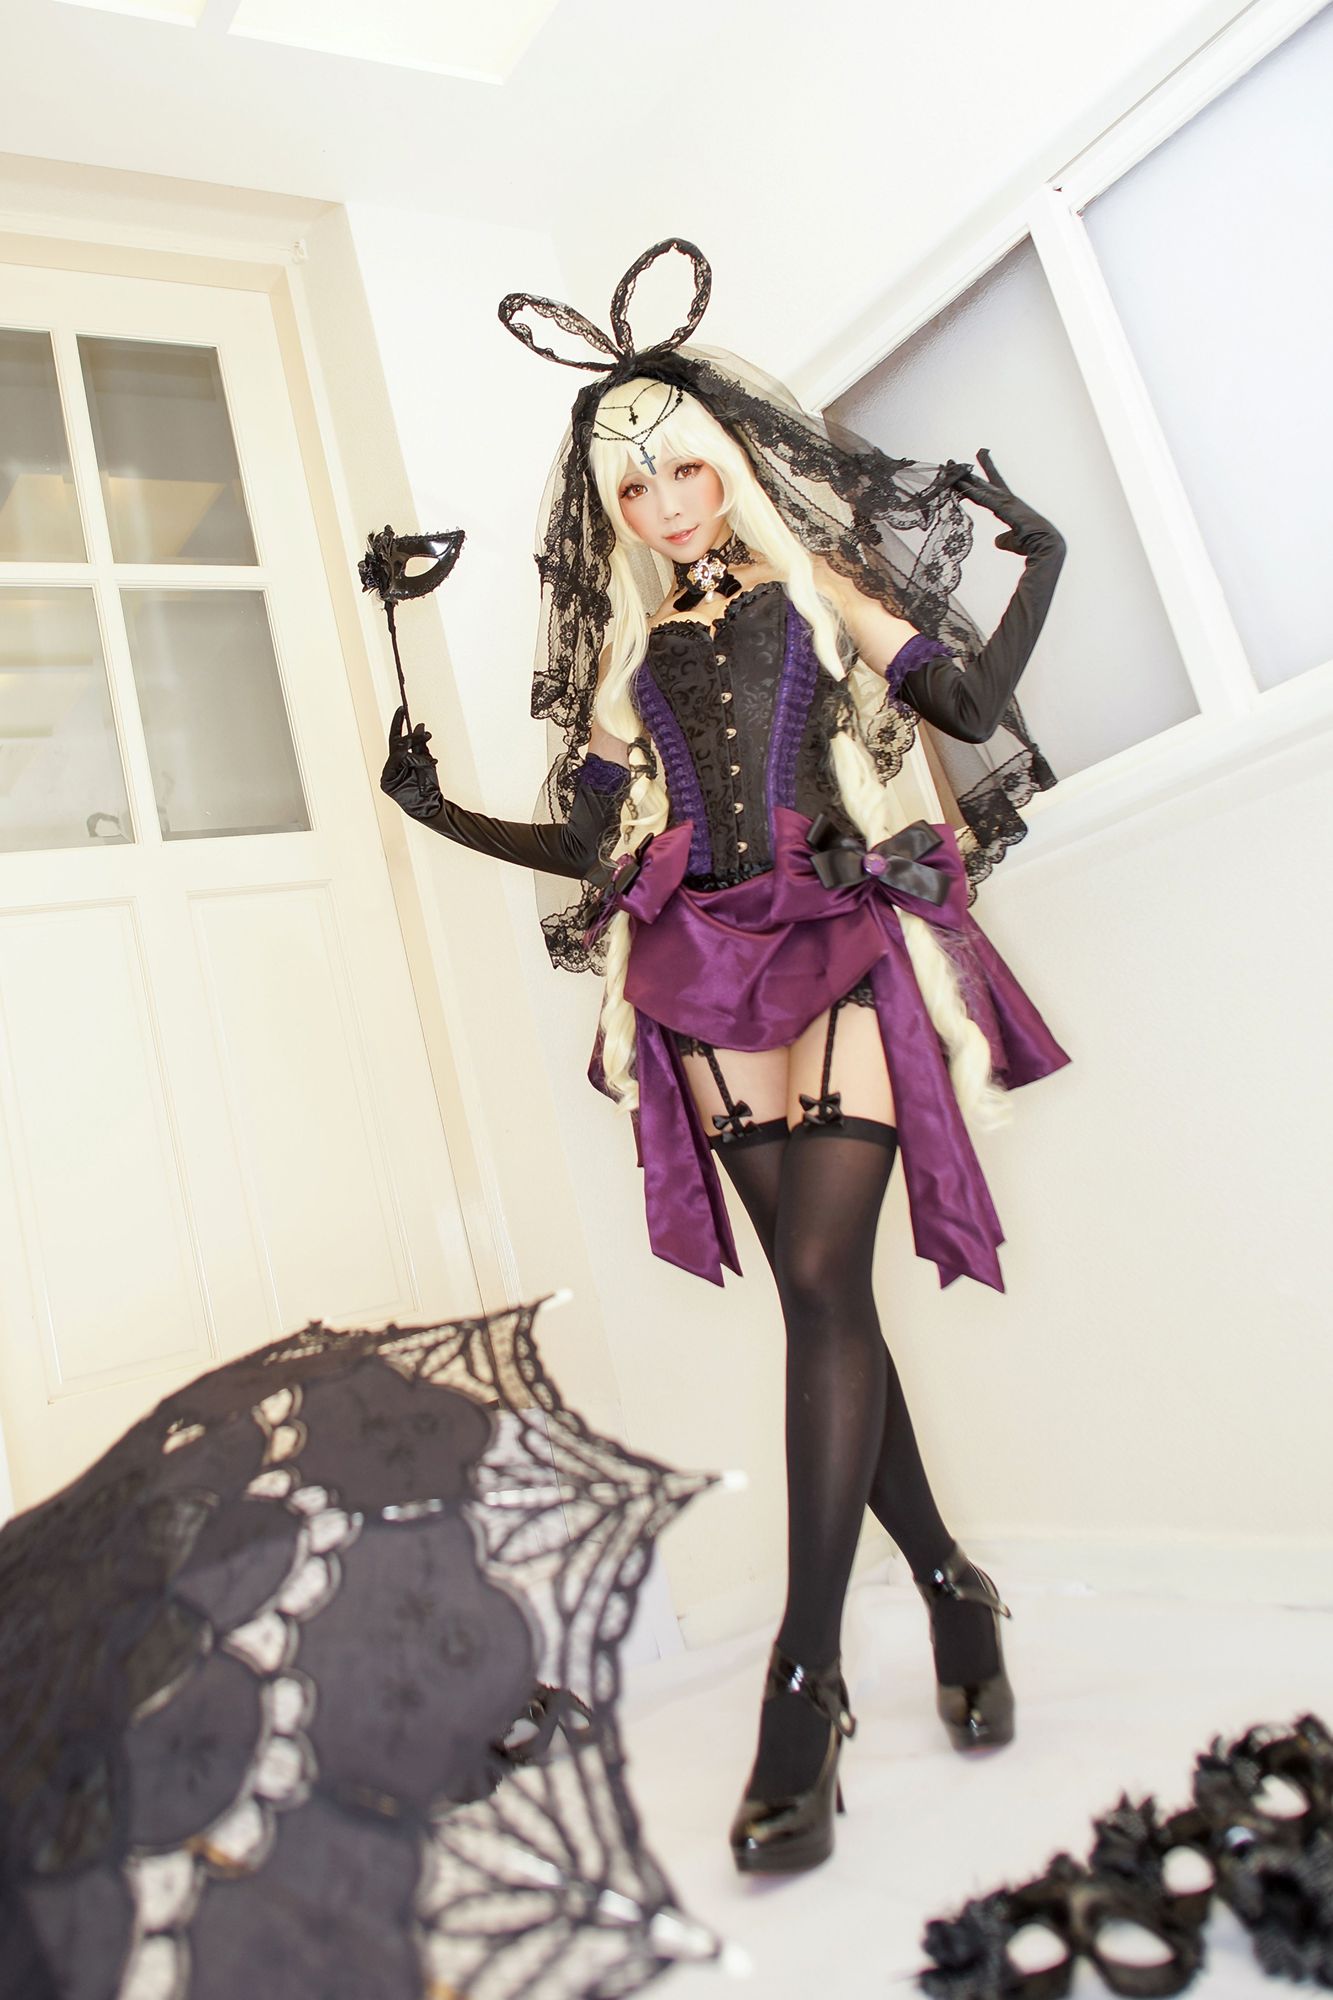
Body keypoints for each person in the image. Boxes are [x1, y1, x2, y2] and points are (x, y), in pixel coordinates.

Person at [379, 241, 1071, 1878]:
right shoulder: (628, 664)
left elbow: (968, 700)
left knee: (823, 1290)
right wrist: (432, 810)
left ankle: (803, 1680)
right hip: (696, 968)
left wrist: (1039, 557)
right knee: (821, 1307)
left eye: (681, 468)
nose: (663, 502)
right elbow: (584, 842)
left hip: (833, 934)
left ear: (728, 463)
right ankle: (953, 1587)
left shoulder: (820, 595)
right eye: (631, 488)